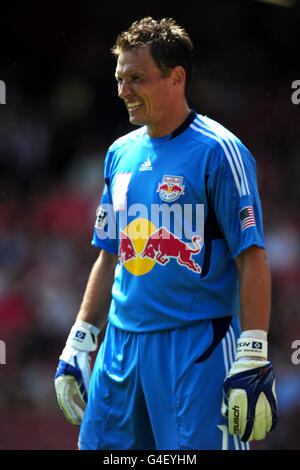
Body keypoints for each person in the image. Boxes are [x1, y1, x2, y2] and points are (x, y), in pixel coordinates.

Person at [54, 17, 277, 450]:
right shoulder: (119, 153)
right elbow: (109, 254)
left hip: (197, 348)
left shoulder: (221, 151)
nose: (123, 92)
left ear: (176, 78)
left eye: (136, 78)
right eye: (119, 79)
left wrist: (252, 352)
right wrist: (80, 340)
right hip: (120, 347)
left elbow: (252, 255)